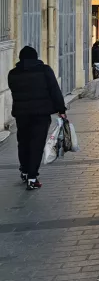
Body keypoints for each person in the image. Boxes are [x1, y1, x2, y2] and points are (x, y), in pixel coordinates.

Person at [8, 46, 67, 190]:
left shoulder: (13, 73)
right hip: (41, 114)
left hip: (21, 115)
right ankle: (32, 178)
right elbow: (55, 90)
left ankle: (25, 171)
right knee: (36, 145)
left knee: (23, 143)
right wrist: (61, 109)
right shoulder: (45, 70)